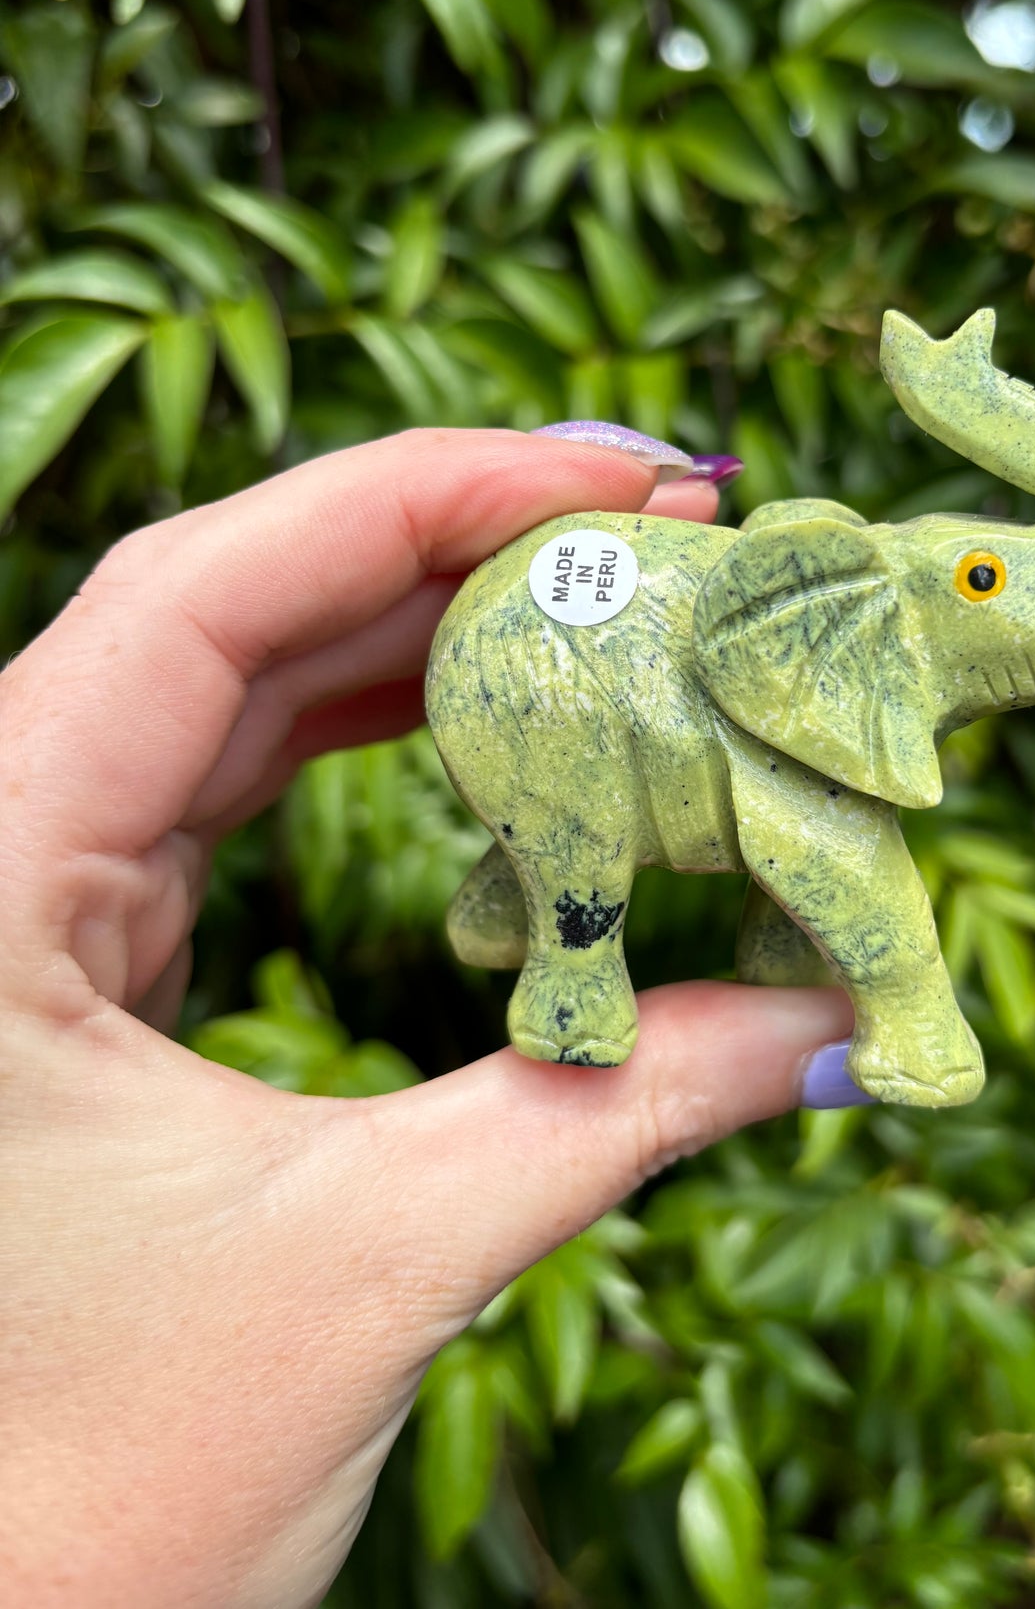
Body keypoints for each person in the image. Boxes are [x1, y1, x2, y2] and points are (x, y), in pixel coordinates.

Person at [0, 428, 863, 1606]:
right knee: (577, 854)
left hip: (606, 735)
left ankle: (529, 902)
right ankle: (565, 973)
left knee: (579, 825)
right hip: (571, 742)